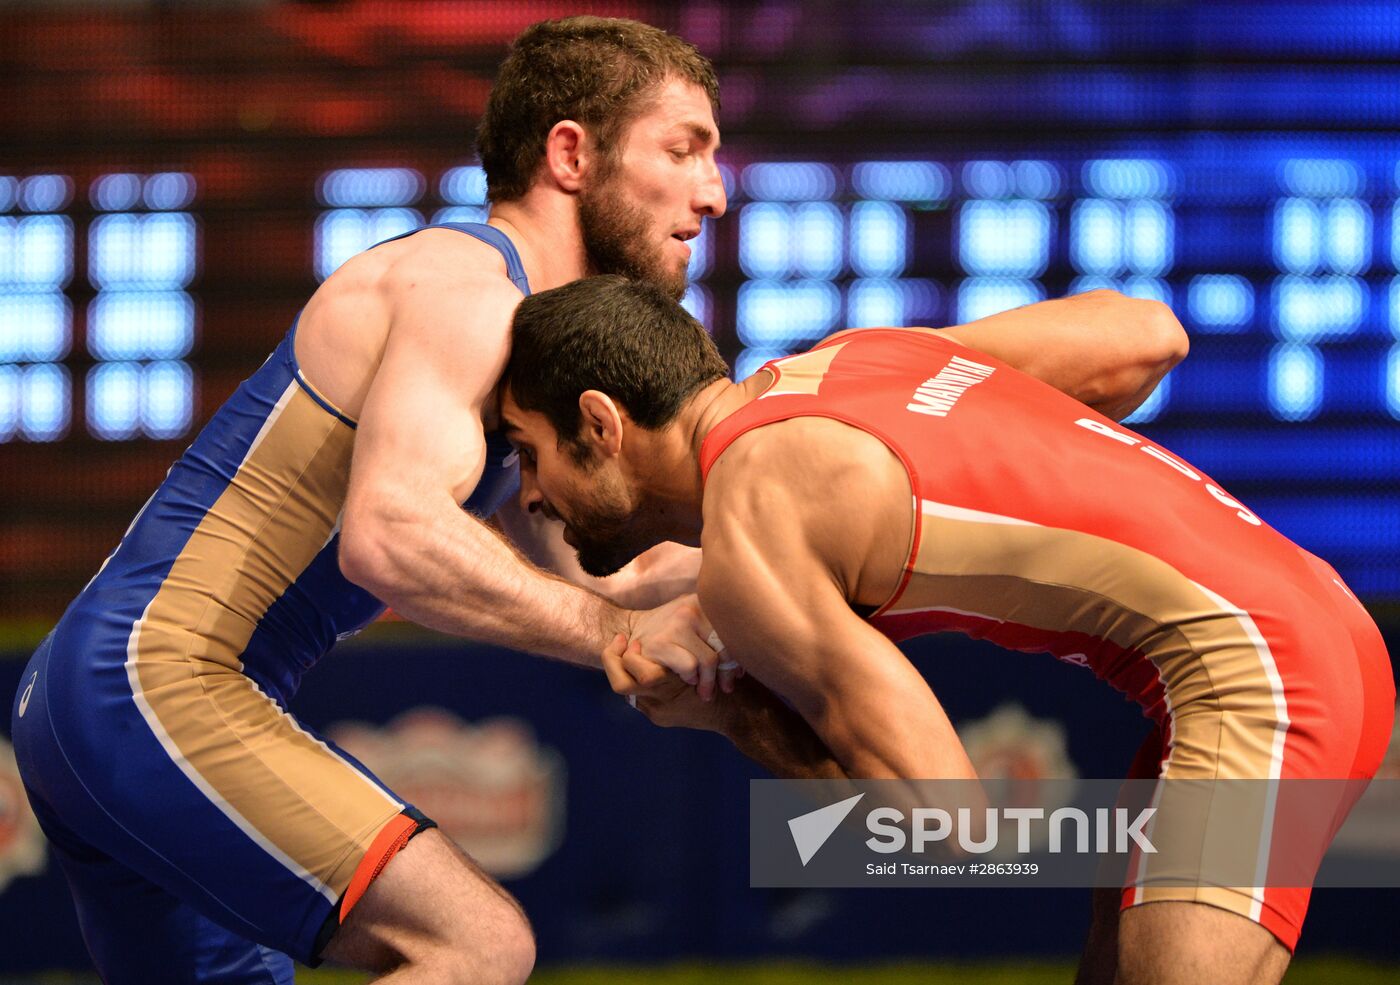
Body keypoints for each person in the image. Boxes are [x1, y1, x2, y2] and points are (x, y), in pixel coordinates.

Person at [9, 14, 1195, 982]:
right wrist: (626, 637)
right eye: (682, 148)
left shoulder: (542, 357)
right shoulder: (464, 283)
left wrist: (748, 600)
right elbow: (390, 535)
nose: (715, 191)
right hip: (156, 690)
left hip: (115, 699)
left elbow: (612, 571)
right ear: (570, 156)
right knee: (473, 945)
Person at [497, 274, 1394, 985]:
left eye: (530, 451)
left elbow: (948, 830)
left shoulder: (752, 535)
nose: (531, 494)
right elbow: (1150, 335)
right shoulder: (860, 360)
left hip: (1263, 678)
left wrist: (726, 713)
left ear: (600, 423)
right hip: (1286, 632)